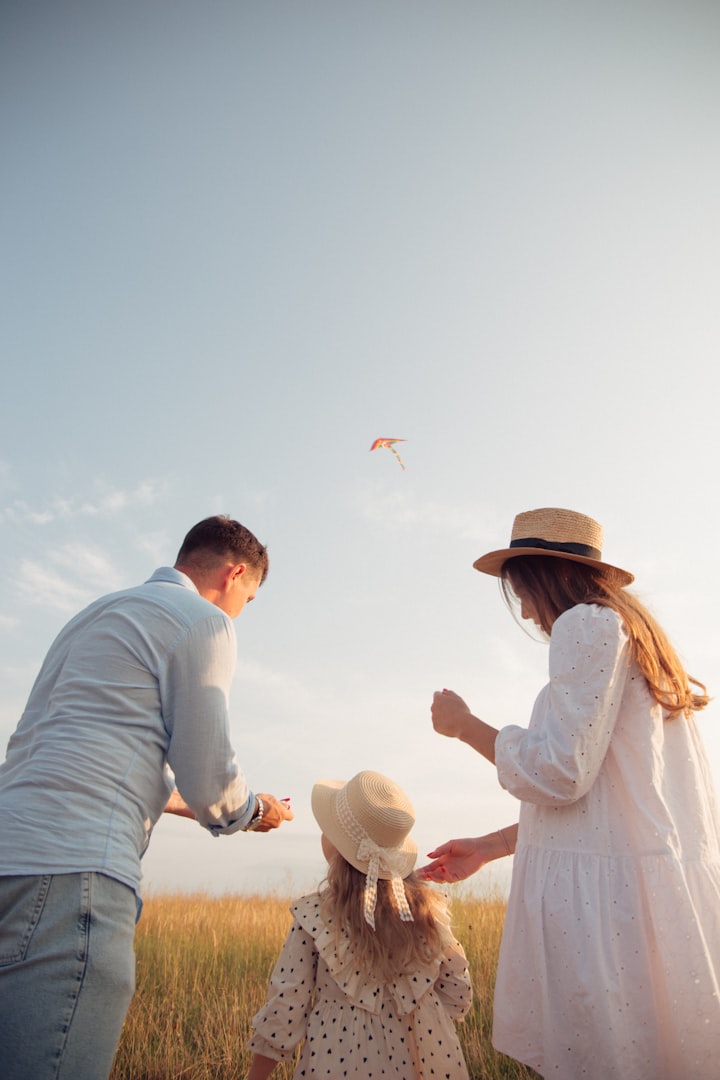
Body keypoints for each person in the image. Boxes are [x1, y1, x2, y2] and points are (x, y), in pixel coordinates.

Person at [421, 507, 720, 1080]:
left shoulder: (584, 624)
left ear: (539, 576)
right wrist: (490, 845)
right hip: (631, 906)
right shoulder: (630, 639)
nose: (526, 611)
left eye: (519, 592)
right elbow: (607, 804)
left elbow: (563, 772)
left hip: (602, 919)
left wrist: (466, 726)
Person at [0, 514, 294, 1080]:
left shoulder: (91, 616)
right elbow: (212, 781)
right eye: (249, 599)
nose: (241, 612)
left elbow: (85, 758)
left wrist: (181, 803)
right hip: (73, 876)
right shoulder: (203, 621)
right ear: (235, 575)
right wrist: (255, 810)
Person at [247, 770, 473, 1079]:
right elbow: (459, 992)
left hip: (339, 1059)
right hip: (427, 1058)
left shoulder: (315, 915)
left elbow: (286, 1006)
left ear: (340, 848)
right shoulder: (429, 911)